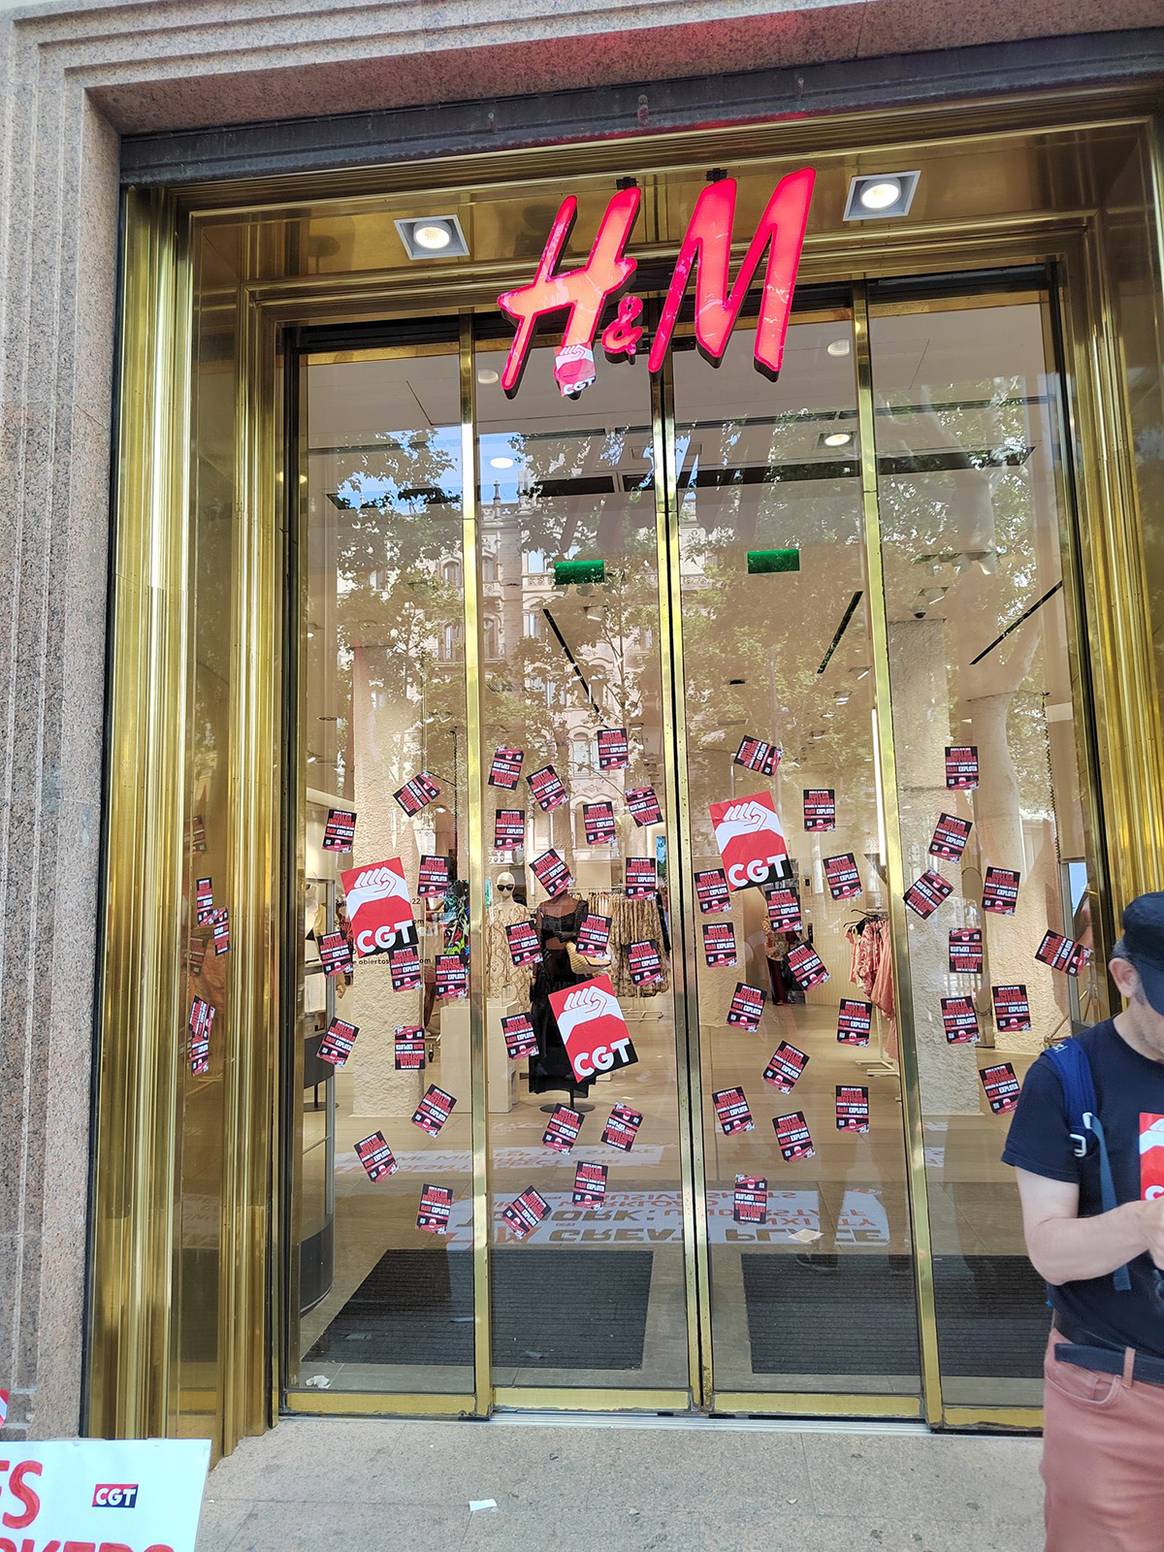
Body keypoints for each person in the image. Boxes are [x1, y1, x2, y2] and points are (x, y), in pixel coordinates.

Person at [1002, 891, 1164, 1552]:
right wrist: (1146, 1226)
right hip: (1115, 1399)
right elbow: (1049, 1251)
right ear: (1127, 980)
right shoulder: (1067, 1081)